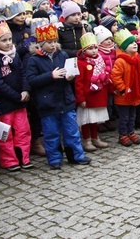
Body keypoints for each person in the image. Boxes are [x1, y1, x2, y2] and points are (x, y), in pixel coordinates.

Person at [26, 23, 90, 169]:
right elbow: (31, 80)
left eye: (54, 41)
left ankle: (76, 156)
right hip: (48, 103)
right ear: (41, 43)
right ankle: (55, 159)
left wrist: (69, 77)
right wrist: (51, 75)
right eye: (49, 42)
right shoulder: (34, 60)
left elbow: (70, 73)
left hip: (65, 100)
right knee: (51, 133)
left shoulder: (62, 55)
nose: (53, 45)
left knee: (72, 131)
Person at [0, 22, 33, 171]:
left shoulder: (15, 55)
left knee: (23, 130)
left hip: (20, 101)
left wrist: (25, 90)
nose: (7, 43)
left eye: (9, 40)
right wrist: (15, 96)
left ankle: (23, 157)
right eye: (3, 40)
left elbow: (23, 73)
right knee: (6, 133)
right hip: (5, 103)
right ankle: (9, 160)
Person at [75, 33, 111, 152]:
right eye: (90, 48)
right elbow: (78, 82)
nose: (94, 50)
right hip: (88, 96)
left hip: (98, 94)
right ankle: (87, 139)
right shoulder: (82, 63)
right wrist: (81, 99)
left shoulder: (100, 60)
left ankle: (95, 138)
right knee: (86, 120)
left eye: (95, 47)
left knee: (95, 119)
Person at [111, 29, 140, 147]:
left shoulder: (139, 59)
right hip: (124, 95)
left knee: (133, 116)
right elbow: (115, 77)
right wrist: (122, 89)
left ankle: (131, 132)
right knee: (124, 117)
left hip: (136, 93)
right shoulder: (120, 61)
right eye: (131, 43)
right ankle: (123, 134)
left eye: (135, 42)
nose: (135, 44)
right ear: (125, 47)